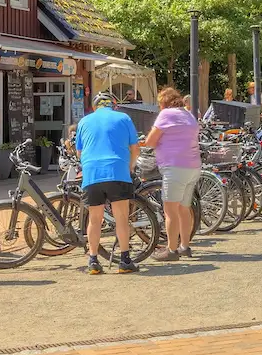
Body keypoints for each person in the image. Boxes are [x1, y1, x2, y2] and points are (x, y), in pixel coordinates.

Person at [74, 92, 140, 274]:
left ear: (95, 107)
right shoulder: (124, 118)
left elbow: (79, 152)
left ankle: (93, 261)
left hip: (92, 173)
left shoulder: (84, 121)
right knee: (121, 218)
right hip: (117, 171)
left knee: (94, 220)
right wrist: (131, 167)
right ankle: (125, 261)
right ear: (113, 105)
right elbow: (135, 148)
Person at [142, 88, 200, 261]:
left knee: (170, 211)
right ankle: (185, 247)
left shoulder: (166, 114)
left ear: (164, 103)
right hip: (193, 166)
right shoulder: (188, 115)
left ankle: (172, 250)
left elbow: (150, 141)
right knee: (184, 209)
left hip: (174, 167)